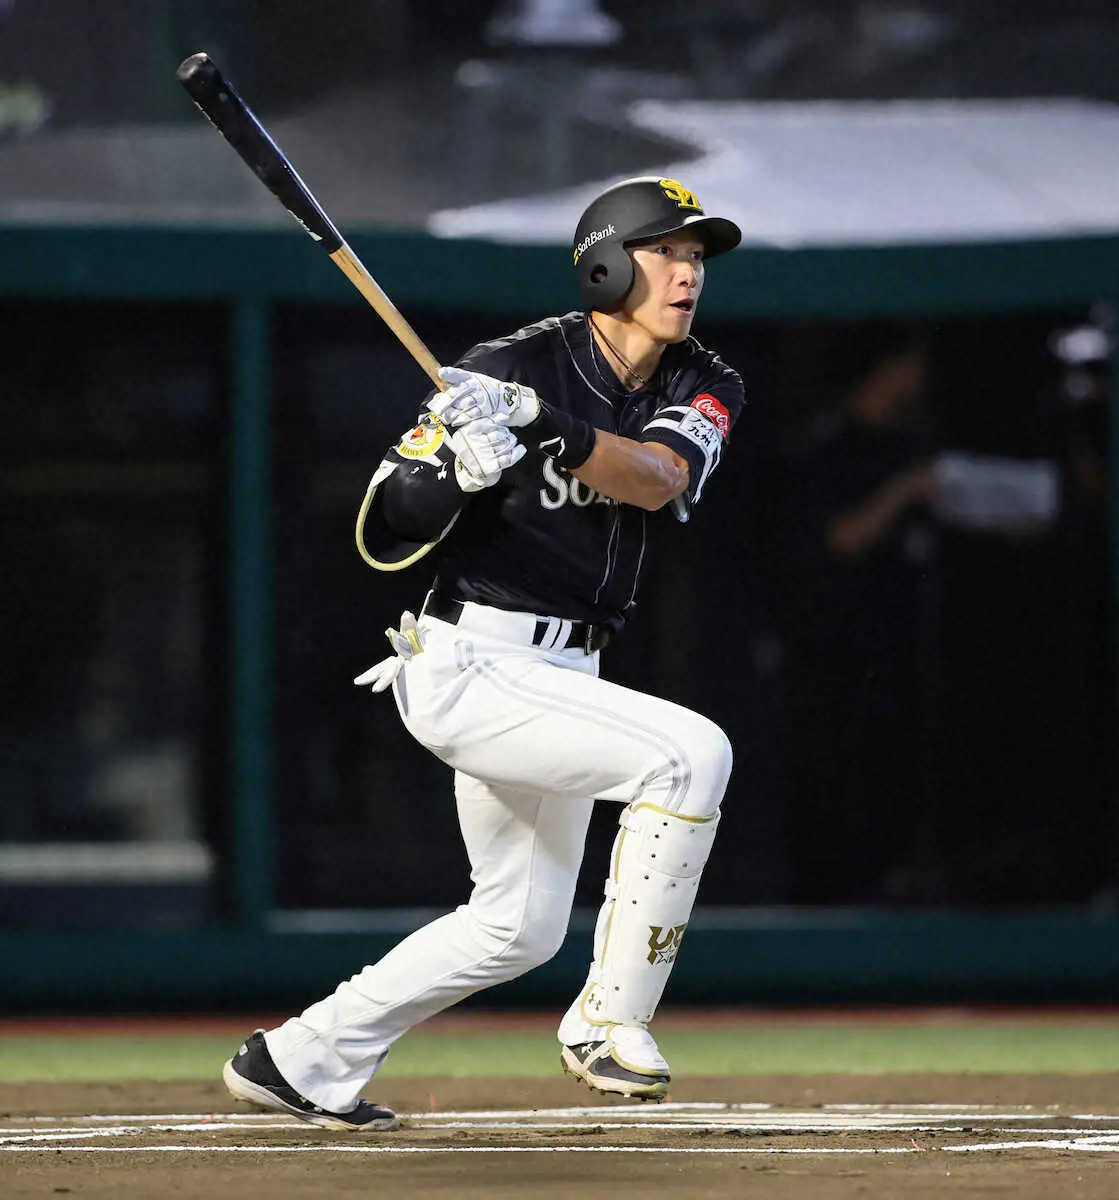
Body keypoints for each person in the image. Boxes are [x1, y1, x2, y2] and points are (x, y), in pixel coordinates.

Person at [222, 176, 745, 1131]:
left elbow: (655, 477)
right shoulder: (508, 363)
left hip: (566, 673)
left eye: (696, 256)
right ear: (606, 264)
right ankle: (608, 1022)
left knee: (516, 925)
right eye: (666, 251)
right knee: (690, 755)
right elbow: (384, 526)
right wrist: (455, 479)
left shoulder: (701, 380)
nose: (687, 273)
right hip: (473, 661)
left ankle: (298, 1059)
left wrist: (543, 428)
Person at [782, 324, 938, 903]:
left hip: (898, 645)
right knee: (837, 776)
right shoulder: (828, 448)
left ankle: (890, 887)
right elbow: (842, 538)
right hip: (836, 650)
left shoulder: (907, 443)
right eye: (910, 363)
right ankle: (832, 899)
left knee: (896, 772)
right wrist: (904, 491)